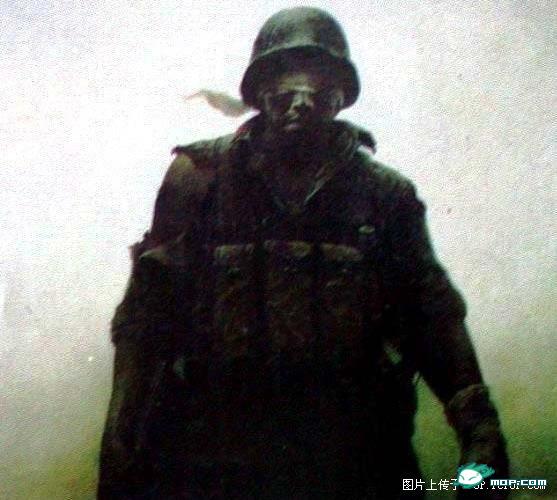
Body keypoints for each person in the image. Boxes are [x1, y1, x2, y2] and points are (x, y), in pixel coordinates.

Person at [98, 7, 508, 499]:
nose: (300, 100)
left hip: (355, 461)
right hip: (222, 461)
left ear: (340, 96)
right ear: (258, 93)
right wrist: (121, 443)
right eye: (284, 84)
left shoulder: (385, 195)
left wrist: (479, 426)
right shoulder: (199, 182)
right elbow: (146, 321)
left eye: (318, 83)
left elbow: (431, 314)